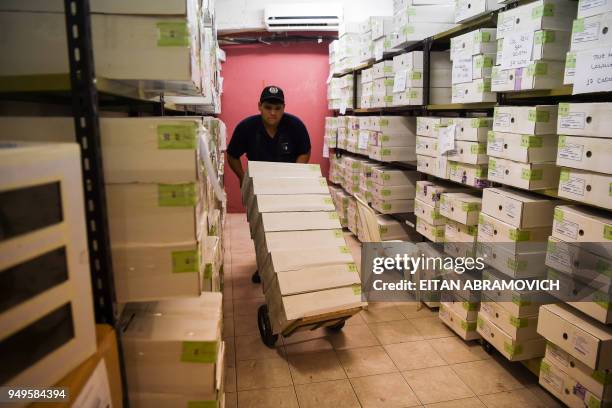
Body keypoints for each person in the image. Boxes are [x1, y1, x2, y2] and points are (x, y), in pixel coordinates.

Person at [226, 85, 312, 283]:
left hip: (287, 187)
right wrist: (242, 178)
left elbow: (305, 151)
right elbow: (232, 155)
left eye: (278, 108)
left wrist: (295, 174)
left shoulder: (295, 125)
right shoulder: (246, 127)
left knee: (287, 228)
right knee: (262, 231)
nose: (273, 113)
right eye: (268, 107)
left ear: (284, 107)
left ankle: (287, 265)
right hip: (260, 188)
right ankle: (265, 267)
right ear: (259, 106)